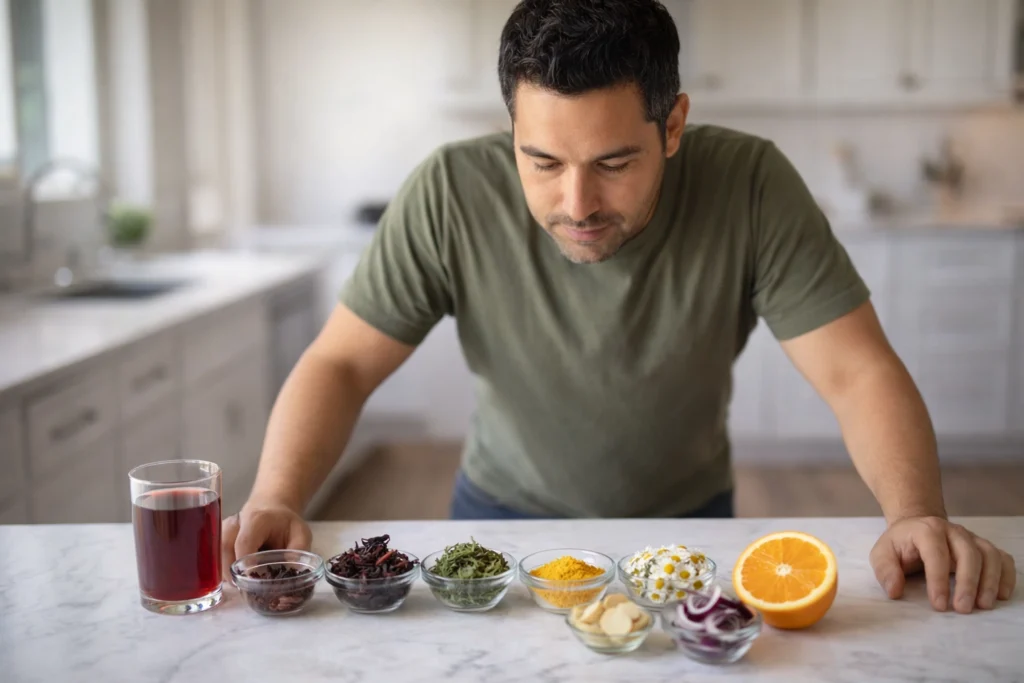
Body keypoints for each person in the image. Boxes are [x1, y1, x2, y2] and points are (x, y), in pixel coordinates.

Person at [223, 0, 1016, 615]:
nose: (576, 203)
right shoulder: (447, 190)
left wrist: (914, 511)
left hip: (688, 525)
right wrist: (277, 495)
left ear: (673, 124)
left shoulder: (750, 182)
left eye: (613, 161)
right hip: (498, 522)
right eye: (541, 161)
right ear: (511, 133)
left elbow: (856, 370)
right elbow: (341, 363)